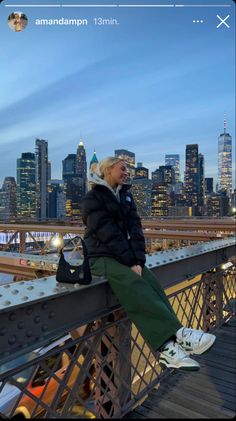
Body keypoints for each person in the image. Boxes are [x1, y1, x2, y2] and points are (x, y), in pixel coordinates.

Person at [82, 157, 216, 370]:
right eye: (122, 168)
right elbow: (108, 233)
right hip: (99, 257)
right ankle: (170, 342)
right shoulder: (93, 198)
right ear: (108, 169)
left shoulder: (125, 195)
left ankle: (173, 344)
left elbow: (135, 229)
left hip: (120, 256)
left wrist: (138, 260)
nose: (127, 172)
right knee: (131, 281)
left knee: (149, 280)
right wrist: (129, 262)